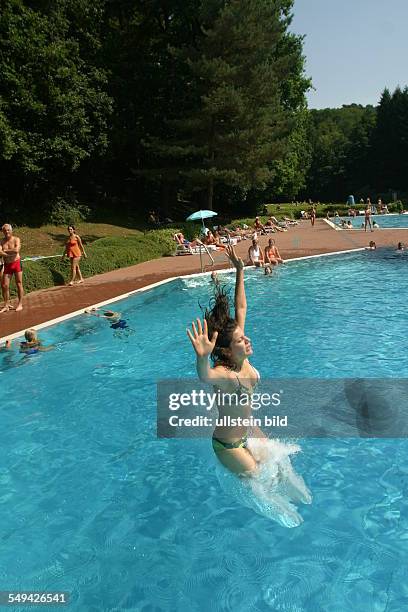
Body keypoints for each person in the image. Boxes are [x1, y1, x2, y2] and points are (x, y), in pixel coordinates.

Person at [0, 224, 24, 312]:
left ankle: (20, 303)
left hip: (16, 263)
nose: (6, 232)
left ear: (11, 230)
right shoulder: (1, 241)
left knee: (19, 283)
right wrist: (9, 253)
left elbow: (17, 250)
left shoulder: (16, 239)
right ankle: (6, 305)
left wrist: (5, 251)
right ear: (2, 232)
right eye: (4, 231)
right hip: (7, 265)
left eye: (8, 230)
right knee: (5, 285)